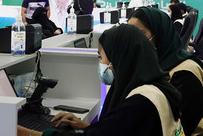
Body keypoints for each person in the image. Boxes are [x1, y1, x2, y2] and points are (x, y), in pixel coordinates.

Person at [18, 24, 183, 136]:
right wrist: (88, 127)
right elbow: (118, 131)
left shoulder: (139, 103)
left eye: (101, 57)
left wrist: (23, 132)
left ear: (119, 59)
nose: (101, 63)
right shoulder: (157, 86)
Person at [128, 7, 203, 135]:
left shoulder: (185, 72)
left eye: (140, 34)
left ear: (160, 34)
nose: (133, 40)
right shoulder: (153, 64)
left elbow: (178, 126)